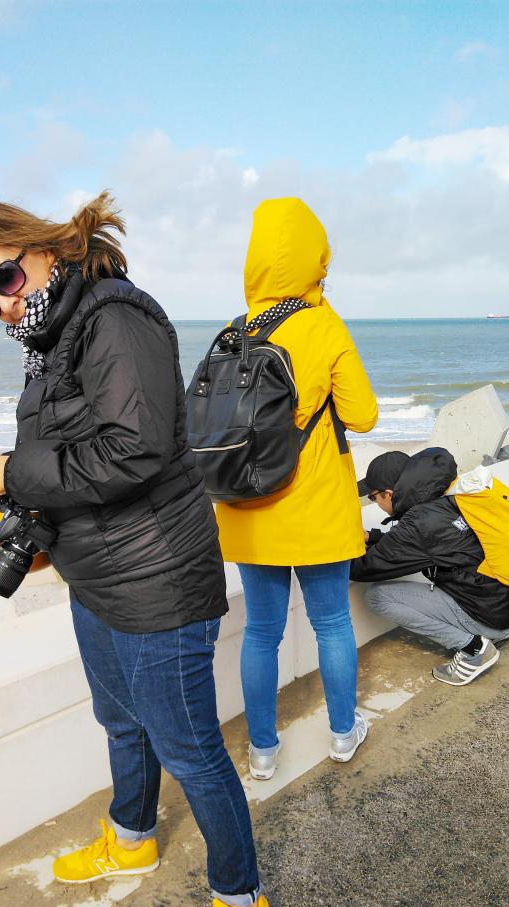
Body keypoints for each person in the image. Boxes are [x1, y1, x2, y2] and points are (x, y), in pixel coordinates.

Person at [0, 193, 273, 907]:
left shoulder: (114, 318)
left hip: (158, 578)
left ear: (44, 249)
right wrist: (21, 507)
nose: (0, 302)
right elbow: (71, 447)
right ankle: (130, 835)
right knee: (120, 719)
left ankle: (242, 904)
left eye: (3, 276)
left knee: (192, 751)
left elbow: (132, 452)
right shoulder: (52, 335)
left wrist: (9, 471)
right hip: (97, 573)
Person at [215, 198, 378, 780]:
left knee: (261, 629)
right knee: (331, 622)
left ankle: (262, 750)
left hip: (247, 508)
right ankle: (341, 732)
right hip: (313, 508)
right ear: (317, 258)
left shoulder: (234, 331)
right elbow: (362, 416)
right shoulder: (323, 324)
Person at [351, 447, 509, 684]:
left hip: (495, 617)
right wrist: (373, 537)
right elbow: (415, 540)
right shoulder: (448, 494)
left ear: (388, 493)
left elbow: (363, 568)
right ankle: (487, 632)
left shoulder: (420, 522)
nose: (374, 502)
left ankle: (473, 649)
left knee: (378, 597)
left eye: (373, 497)